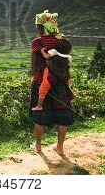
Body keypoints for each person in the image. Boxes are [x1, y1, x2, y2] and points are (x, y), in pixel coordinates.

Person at [29, 10, 74, 155]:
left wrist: (34, 73)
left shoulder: (37, 42)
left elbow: (34, 60)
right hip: (61, 82)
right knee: (62, 113)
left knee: (39, 113)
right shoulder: (61, 42)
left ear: (40, 27)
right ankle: (60, 147)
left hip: (41, 81)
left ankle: (38, 146)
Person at [32, 38, 73, 112]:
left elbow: (46, 56)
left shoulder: (54, 52)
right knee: (66, 88)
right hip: (63, 77)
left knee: (42, 90)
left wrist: (42, 51)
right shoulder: (69, 57)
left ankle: (39, 106)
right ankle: (69, 100)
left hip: (50, 77)